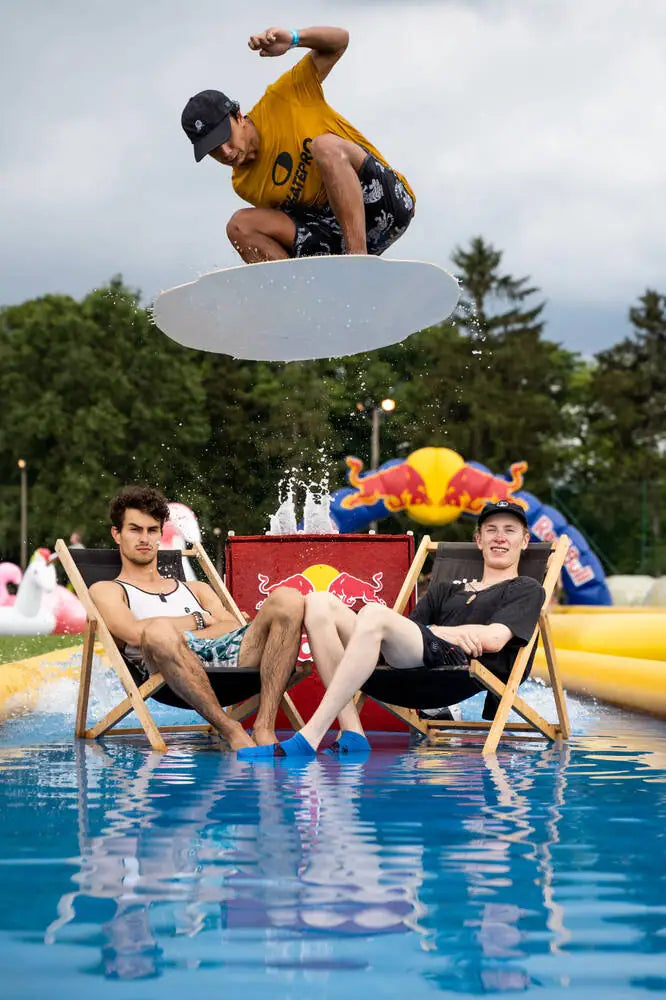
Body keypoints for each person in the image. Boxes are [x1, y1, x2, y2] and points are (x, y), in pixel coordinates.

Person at [238, 501, 545, 759]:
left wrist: (439, 633)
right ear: (479, 540)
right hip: (410, 661)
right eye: (491, 530)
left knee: (374, 614)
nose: (499, 538)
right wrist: (445, 631)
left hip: (455, 670)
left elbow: (494, 639)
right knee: (318, 603)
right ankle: (352, 731)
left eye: (509, 531)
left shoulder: (525, 588)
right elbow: (414, 629)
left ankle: (311, 735)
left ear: (524, 540)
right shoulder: (446, 590)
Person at [90, 485, 305, 751]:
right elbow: (135, 633)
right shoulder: (107, 590)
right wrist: (199, 619)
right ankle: (231, 729)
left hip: (227, 657)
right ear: (117, 534)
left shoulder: (196, 588)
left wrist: (186, 634)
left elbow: (232, 626)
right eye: (135, 529)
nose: (144, 538)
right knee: (157, 632)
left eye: (152, 530)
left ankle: (264, 727)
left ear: (160, 534)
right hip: (166, 668)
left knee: (289, 599)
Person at [181, 25, 415, 262]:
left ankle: (357, 263)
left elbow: (340, 41)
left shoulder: (285, 96)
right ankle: (299, 285)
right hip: (332, 234)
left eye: (225, 138)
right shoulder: (243, 184)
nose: (225, 152)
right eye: (213, 150)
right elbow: (290, 228)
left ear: (238, 116)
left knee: (325, 147)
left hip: (386, 203)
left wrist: (294, 39)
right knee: (240, 225)